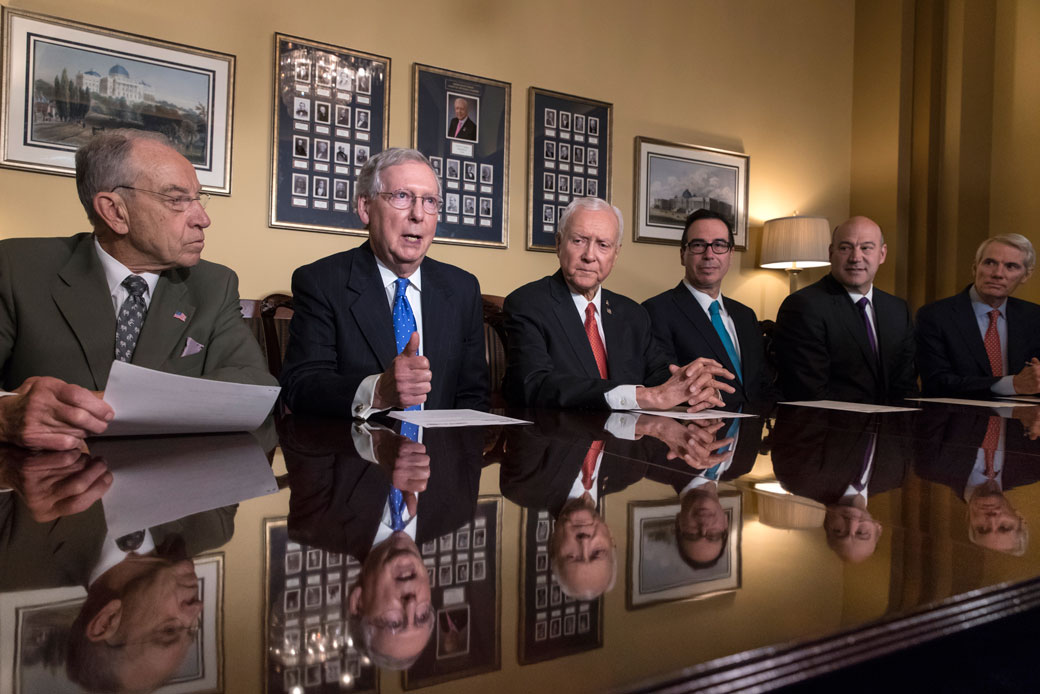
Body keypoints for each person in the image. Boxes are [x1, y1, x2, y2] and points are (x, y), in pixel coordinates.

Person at [0, 130, 273, 451]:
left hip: (171, 482)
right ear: (115, 212)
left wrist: (113, 402)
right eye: (176, 199)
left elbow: (255, 387)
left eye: (197, 198)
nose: (203, 218)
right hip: (47, 486)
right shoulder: (16, 268)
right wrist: (5, 416)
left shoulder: (214, 283)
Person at [281, 148, 489, 417]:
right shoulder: (321, 282)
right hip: (356, 453)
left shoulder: (463, 288)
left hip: (438, 455)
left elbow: (474, 398)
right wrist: (377, 392)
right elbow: (301, 388)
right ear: (365, 208)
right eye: (402, 196)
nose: (418, 214)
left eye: (429, 201)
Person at [503, 197, 734, 410]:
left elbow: (659, 376)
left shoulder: (633, 314)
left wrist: (692, 385)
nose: (589, 255)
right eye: (579, 240)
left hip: (622, 447)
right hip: (561, 445)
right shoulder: (528, 304)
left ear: (615, 254)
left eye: (603, 245)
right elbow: (533, 385)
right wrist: (644, 396)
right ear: (559, 244)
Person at [773, 216, 917, 403]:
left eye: (866, 248)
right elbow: (810, 393)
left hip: (891, 428)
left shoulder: (897, 309)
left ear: (882, 254)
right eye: (845, 248)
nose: (855, 258)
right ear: (831, 253)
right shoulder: (803, 307)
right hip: (830, 427)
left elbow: (906, 387)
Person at [644, 209, 776, 406]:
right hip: (698, 430)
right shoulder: (655, 311)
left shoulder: (745, 315)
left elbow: (761, 383)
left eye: (719, 245)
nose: (709, 254)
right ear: (683, 255)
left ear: (731, 255)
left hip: (750, 432)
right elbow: (662, 380)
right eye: (698, 245)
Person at [916, 234, 1040, 399]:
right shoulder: (935, 316)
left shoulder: (1034, 317)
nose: (998, 274)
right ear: (975, 268)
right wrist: (1013, 384)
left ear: (1026, 276)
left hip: (1020, 421)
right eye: (990, 263)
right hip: (955, 419)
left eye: (1011, 266)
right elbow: (937, 383)